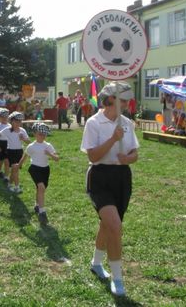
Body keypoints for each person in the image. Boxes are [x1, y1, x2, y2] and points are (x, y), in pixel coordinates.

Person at [81, 82, 139, 296]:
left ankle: (96, 263)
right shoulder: (93, 123)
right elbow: (93, 156)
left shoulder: (127, 123)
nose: (126, 104)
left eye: (126, 100)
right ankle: (118, 278)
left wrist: (128, 158)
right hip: (99, 177)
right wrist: (113, 139)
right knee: (114, 225)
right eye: (122, 100)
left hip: (122, 177)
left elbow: (135, 154)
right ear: (109, 99)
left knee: (108, 225)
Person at [19, 123, 59, 225]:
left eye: (44, 134)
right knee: (41, 187)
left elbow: (57, 159)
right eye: (40, 134)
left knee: (40, 189)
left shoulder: (48, 145)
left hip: (45, 169)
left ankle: (37, 204)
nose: (43, 136)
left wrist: (49, 154)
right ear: (35, 134)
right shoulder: (31, 146)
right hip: (34, 169)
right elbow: (25, 156)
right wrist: (19, 165)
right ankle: (42, 212)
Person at [0, 112, 30, 193]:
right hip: (10, 152)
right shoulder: (7, 130)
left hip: (19, 152)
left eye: (20, 121)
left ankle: (9, 184)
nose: (18, 123)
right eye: (16, 121)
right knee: (15, 168)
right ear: (11, 121)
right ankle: (17, 187)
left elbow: (29, 142)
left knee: (14, 170)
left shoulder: (22, 130)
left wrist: (23, 139)